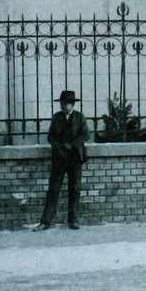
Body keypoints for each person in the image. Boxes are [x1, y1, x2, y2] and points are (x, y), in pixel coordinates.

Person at [40, 89, 91, 230]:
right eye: (62, 103)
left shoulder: (80, 117)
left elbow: (86, 135)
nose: (63, 106)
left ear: (72, 104)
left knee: (74, 189)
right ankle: (45, 221)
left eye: (66, 103)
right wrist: (59, 148)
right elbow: (50, 137)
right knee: (53, 188)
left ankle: (73, 220)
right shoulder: (56, 117)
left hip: (75, 158)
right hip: (59, 158)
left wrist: (72, 145)